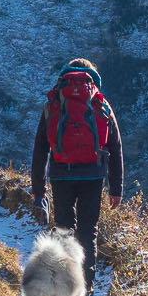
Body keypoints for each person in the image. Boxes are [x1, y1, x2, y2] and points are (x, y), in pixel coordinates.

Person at [30, 58, 124, 271]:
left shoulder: (54, 103)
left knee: (63, 228)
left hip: (61, 174)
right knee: (87, 230)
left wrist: (38, 190)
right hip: (93, 175)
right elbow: (116, 148)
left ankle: (65, 279)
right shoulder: (101, 104)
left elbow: (40, 149)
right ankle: (87, 283)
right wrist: (116, 189)